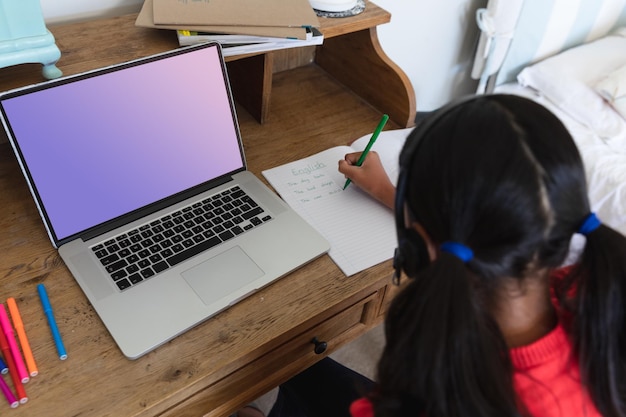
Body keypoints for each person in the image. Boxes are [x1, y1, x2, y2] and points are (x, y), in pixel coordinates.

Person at [235, 94, 626, 417]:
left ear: (420, 245)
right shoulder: (587, 298)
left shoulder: (432, 394)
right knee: (303, 369)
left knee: (290, 363)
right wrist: (388, 192)